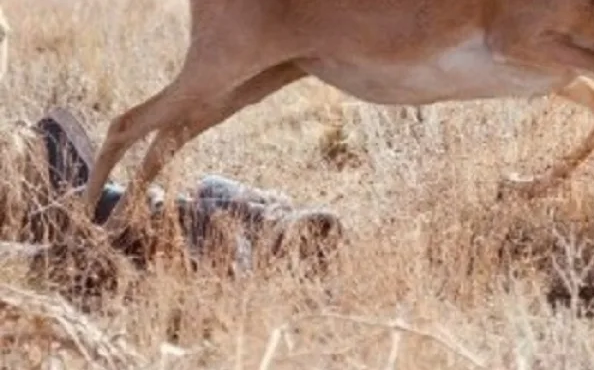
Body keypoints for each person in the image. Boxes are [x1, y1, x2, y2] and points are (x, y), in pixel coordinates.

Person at [3, 106, 344, 278]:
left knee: (211, 185)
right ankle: (247, 240)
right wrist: (47, 255)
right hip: (48, 223)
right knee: (120, 203)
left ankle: (271, 227)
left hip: (53, 189)